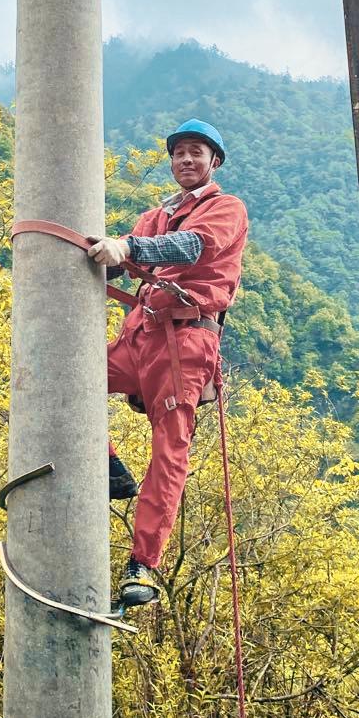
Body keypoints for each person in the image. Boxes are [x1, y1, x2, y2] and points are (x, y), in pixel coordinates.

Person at [87, 120, 248, 609]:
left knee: (170, 449)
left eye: (196, 153)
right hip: (140, 334)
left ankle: (144, 565)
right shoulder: (153, 217)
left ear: (213, 161)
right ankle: (109, 465)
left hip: (185, 340)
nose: (186, 161)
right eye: (179, 153)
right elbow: (119, 260)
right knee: (65, 379)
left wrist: (130, 247)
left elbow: (195, 246)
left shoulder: (226, 208)